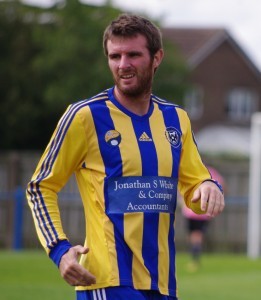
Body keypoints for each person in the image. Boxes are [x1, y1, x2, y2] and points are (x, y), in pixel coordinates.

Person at [26, 14, 225, 300]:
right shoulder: (85, 117)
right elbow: (40, 186)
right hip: (107, 282)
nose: (123, 65)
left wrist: (208, 188)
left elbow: (195, 184)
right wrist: (60, 251)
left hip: (162, 284)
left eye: (133, 55)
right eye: (114, 56)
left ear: (157, 57)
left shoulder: (176, 119)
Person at [182, 166, 225, 272]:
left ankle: (195, 261)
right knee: (195, 236)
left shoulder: (194, 170)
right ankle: (195, 259)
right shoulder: (211, 172)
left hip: (194, 212)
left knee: (196, 236)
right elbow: (223, 186)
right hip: (197, 213)